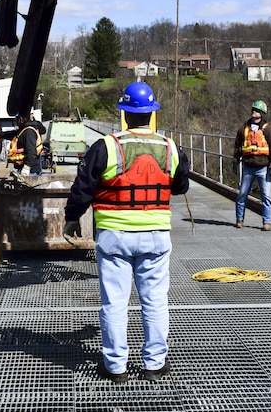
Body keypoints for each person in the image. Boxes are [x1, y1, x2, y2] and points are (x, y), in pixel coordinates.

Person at [63, 82, 189, 384]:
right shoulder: (170, 147)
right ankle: (155, 365)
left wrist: (71, 219)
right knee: (155, 301)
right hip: (156, 236)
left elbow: (83, 189)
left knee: (114, 303)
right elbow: (181, 185)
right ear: (151, 113)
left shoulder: (106, 146)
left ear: (124, 113)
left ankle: (115, 366)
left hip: (114, 236)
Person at [233, 99, 271, 231]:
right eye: (253, 110)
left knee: (266, 196)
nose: (254, 112)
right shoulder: (243, 129)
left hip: (263, 167)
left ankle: (267, 222)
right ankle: (239, 220)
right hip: (248, 166)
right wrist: (235, 161)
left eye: (257, 110)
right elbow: (237, 146)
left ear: (262, 113)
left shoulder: (267, 129)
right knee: (242, 194)